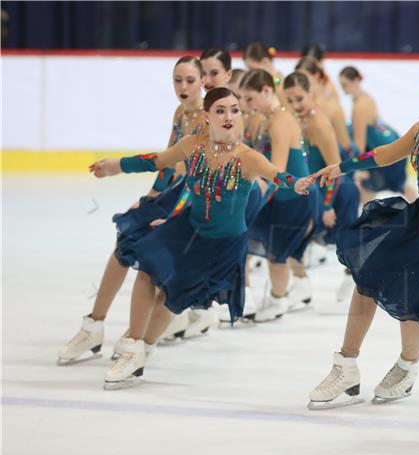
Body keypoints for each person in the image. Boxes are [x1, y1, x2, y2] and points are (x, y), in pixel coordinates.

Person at [298, 57, 419, 409]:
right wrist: (341, 167)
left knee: (413, 300)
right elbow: (386, 154)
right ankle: (346, 365)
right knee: (366, 278)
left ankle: (407, 367)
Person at [88, 88, 300, 389]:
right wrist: (116, 166)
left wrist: (299, 183)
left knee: (172, 299)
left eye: (234, 110)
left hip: (221, 246)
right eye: (221, 111)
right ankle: (134, 346)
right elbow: (157, 160)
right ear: (207, 115)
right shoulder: (193, 146)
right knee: (148, 265)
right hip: (189, 227)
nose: (229, 117)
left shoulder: (248, 157)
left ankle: (143, 349)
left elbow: (277, 174)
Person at [58, 56, 207, 365]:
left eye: (190, 80)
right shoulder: (181, 113)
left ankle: (138, 340)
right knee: (123, 245)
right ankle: (94, 325)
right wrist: (151, 195)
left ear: (203, 81)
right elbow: (165, 160)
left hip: (191, 202)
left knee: (153, 266)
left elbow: (196, 174)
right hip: (170, 195)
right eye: (177, 79)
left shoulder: (207, 120)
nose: (183, 86)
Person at [242, 70, 319, 320]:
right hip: (282, 197)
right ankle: (283, 293)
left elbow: (278, 171)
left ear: (266, 91)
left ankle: (278, 299)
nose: (248, 105)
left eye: (250, 98)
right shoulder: (267, 118)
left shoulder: (280, 121)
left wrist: (252, 199)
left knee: (276, 253)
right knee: (264, 245)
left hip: (294, 198)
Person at [284, 71, 360, 301]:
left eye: (300, 98)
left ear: (310, 93)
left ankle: (354, 279)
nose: (295, 105)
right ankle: (300, 283)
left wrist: (327, 205)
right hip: (313, 194)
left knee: (346, 247)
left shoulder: (319, 124)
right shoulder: (296, 120)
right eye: (290, 100)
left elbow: (336, 169)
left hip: (337, 193)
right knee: (290, 237)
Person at [339, 66, 417, 203]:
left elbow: (359, 143)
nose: (343, 89)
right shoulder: (365, 97)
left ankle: (369, 220)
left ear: (356, 81)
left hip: (388, 150)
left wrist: (356, 166)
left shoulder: (359, 108)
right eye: (341, 85)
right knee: (396, 185)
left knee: (367, 184)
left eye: (345, 85)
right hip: (393, 142)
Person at [295, 57, 352, 160]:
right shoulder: (299, 105)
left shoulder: (331, 106)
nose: (300, 83)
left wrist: (356, 170)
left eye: (303, 78)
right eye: (298, 79)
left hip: (337, 161)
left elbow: (345, 144)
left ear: (316, 76)